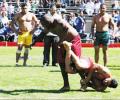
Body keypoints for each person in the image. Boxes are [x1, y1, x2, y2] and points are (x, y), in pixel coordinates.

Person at [39, 14, 82, 91]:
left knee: (75, 62)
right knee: (61, 62)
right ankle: (66, 85)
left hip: (73, 40)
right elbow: (43, 33)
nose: (45, 26)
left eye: (45, 24)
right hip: (63, 42)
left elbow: (67, 30)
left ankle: (85, 82)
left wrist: (61, 40)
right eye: (43, 24)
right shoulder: (48, 25)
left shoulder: (58, 21)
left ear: (50, 20)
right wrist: (35, 40)